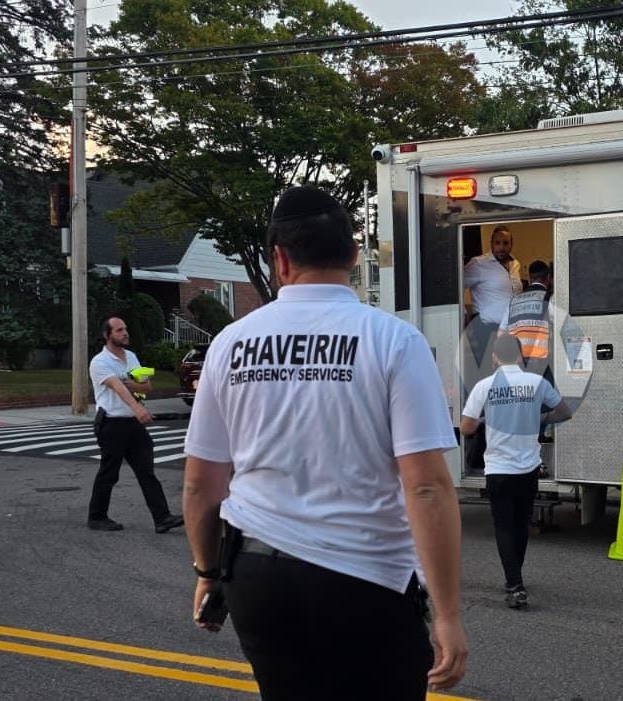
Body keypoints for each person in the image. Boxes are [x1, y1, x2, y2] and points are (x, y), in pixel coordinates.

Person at [181, 185, 467, 699]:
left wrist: (208, 571)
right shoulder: (394, 341)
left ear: (280, 259)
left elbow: (202, 485)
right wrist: (447, 614)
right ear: (354, 255)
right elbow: (426, 487)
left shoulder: (229, 345)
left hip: (258, 576)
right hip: (365, 580)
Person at [460, 335, 571, 609]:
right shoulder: (537, 383)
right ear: (521, 356)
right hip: (528, 469)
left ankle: (514, 584)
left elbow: (466, 428)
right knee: (521, 525)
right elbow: (564, 412)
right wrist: (541, 418)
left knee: (503, 526)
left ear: (494, 358)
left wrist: (485, 420)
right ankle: (515, 577)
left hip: (498, 469)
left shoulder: (484, 386)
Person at [86, 317, 184, 534]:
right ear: (107, 335)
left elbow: (147, 386)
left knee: (146, 472)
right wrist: (138, 407)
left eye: (126, 329)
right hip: (111, 424)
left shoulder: (131, 357)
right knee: (109, 473)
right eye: (119, 330)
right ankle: (97, 517)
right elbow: (117, 387)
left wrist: (131, 385)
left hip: (133, 424)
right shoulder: (100, 362)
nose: (125, 333)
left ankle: (162, 518)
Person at [463, 225, 522, 370]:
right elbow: (457, 287)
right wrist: (463, 312)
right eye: (497, 243)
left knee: (511, 371)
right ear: (491, 244)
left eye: (506, 243)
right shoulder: (479, 264)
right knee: (487, 372)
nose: (501, 247)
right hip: (487, 330)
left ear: (511, 244)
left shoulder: (515, 264)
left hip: (512, 330)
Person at [499, 259, 556, 384]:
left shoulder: (513, 300)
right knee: (545, 392)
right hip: (542, 360)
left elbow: (501, 332)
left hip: (517, 360)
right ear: (548, 277)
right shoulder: (549, 298)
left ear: (530, 279)